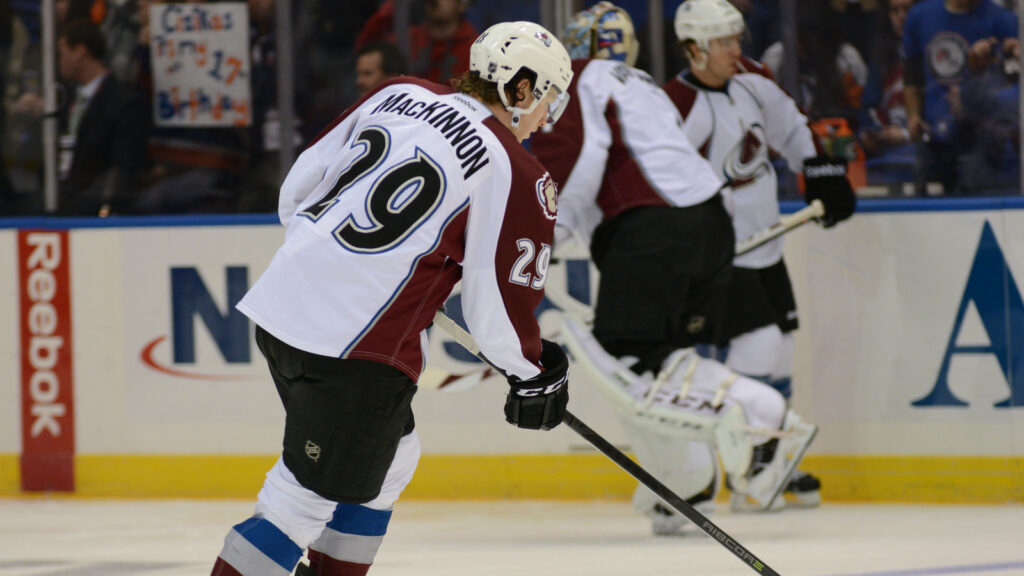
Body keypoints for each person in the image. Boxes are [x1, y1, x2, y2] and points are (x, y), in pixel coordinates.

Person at [210, 20, 574, 576]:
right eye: (547, 96)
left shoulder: (399, 92)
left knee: (393, 456)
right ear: (519, 88)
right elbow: (492, 310)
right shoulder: (513, 168)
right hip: (356, 350)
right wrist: (531, 371)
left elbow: (296, 194)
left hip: (281, 310)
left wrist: (346, 263)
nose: (547, 117)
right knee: (297, 503)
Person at [531, 2, 816, 536]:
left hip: (652, 234)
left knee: (628, 357)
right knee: (658, 362)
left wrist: (537, 243)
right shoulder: (643, 86)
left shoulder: (579, 83)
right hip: (710, 225)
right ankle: (682, 482)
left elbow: (578, 160)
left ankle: (760, 410)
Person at [663, 0, 856, 512]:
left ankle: (770, 463)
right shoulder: (675, 107)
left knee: (781, 350)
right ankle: (750, 471)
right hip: (722, 261)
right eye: (724, 42)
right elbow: (664, 185)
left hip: (765, 247)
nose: (736, 49)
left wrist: (820, 171)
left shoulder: (751, 80)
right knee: (758, 352)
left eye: (736, 39)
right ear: (694, 50)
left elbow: (791, 128)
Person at [903, 0, 1017, 194]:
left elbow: (1013, 86)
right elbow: (912, 77)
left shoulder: (1004, 20)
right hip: (933, 140)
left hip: (981, 143)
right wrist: (914, 116)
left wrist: (975, 99)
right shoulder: (919, 16)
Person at [56, 18, 148, 215]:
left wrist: (98, 203)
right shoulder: (67, 99)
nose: (58, 62)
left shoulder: (123, 102)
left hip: (93, 207)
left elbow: (124, 166)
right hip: (62, 199)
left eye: (61, 54)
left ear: (80, 51)